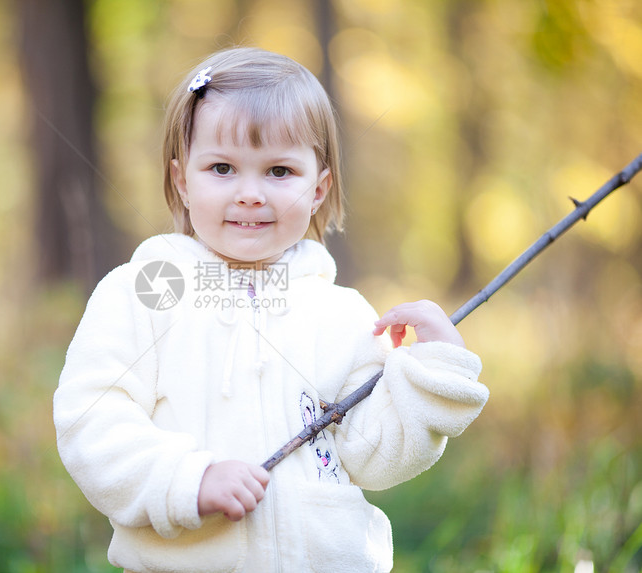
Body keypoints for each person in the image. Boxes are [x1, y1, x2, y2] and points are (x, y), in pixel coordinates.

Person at [54, 46, 489, 572]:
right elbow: (91, 420)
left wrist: (434, 370)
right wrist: (185, 480)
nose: (251, 193)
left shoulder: (341, 315)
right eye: (222, 168)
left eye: (280, 171)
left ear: (317, 189)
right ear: (181, 181)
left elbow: (376, 455)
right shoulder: (144, 294)